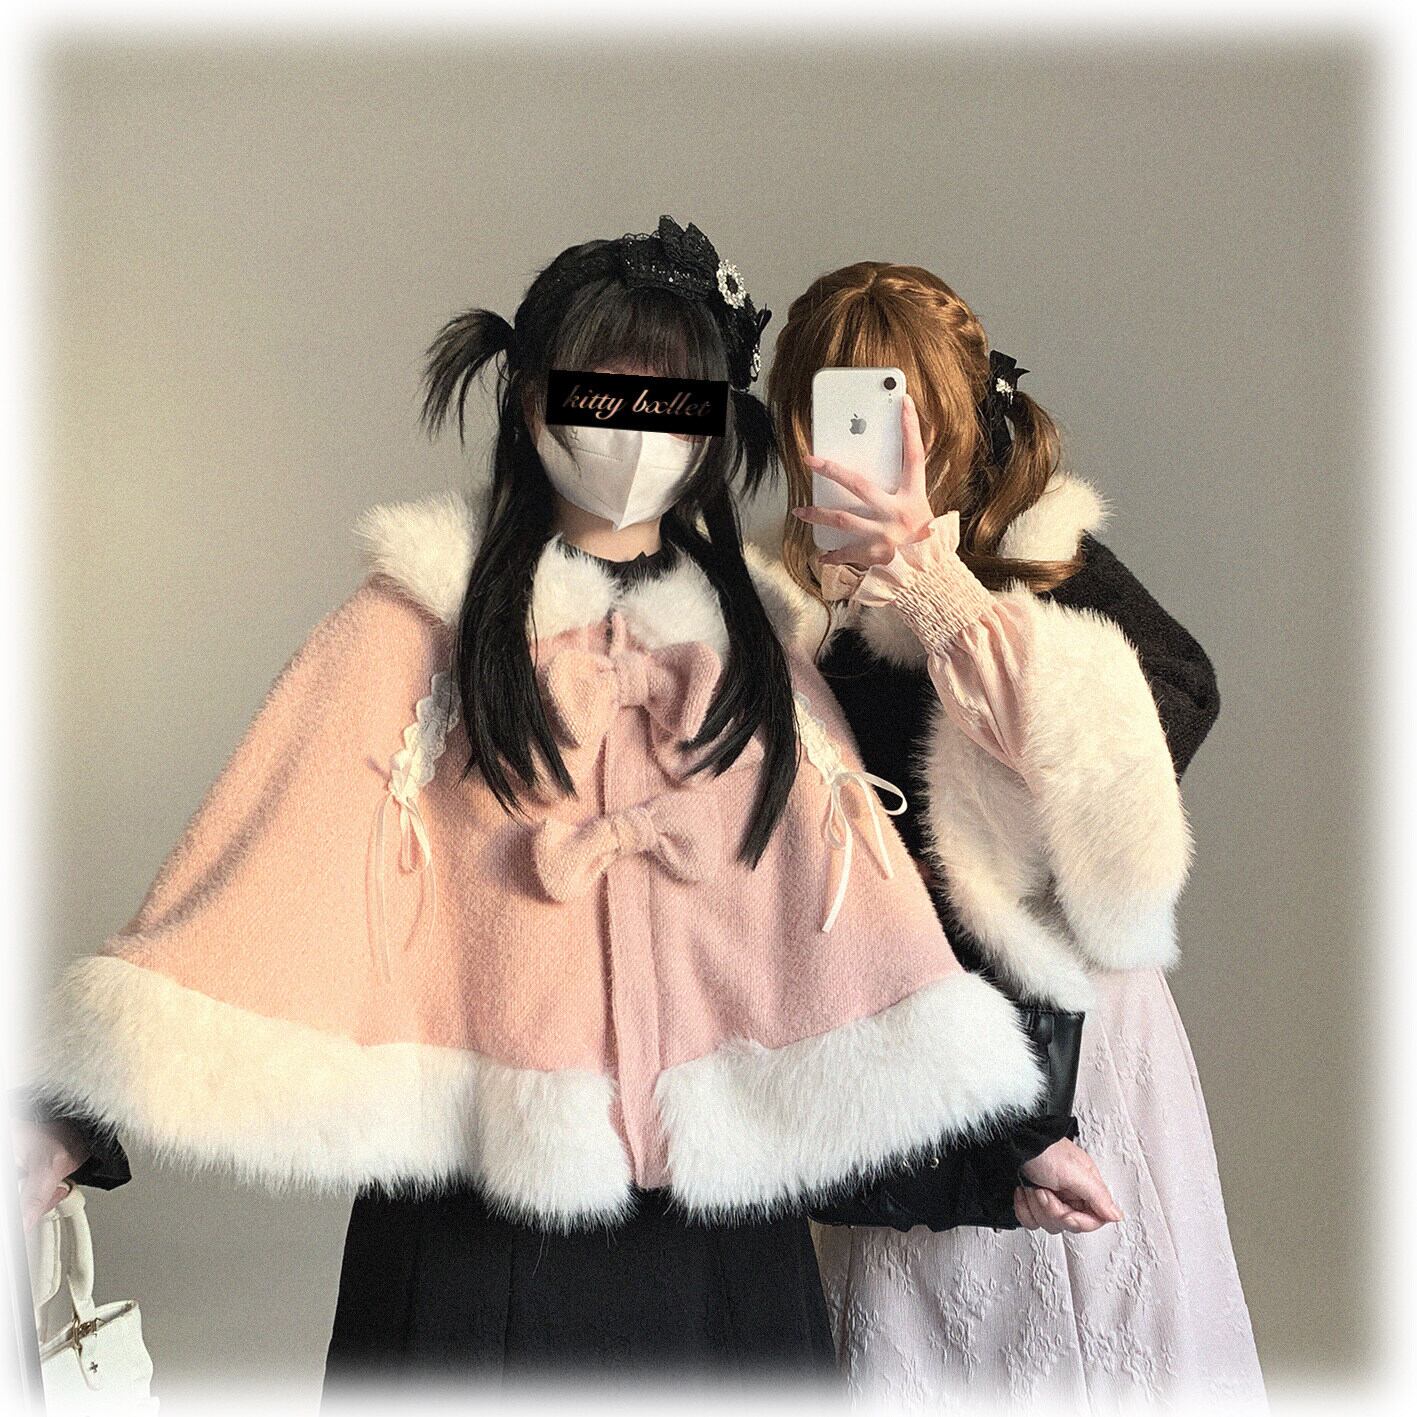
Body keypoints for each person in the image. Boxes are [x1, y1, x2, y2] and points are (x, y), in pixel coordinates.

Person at [14, 219, 1118, 1389]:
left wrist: (1001, 1150)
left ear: (714, 426)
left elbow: (852, 930)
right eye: (602, 389)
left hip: (718, 1247)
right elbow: (264, 865)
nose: (633, 431)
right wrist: (72, 1112)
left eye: (672, 399)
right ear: (530, 397)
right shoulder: (417, 621)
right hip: (475, 1227)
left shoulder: (750, 647)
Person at [759, 260, 1267, 1408]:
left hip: (1068, 1030)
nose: (865, 445)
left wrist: (936, 593)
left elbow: (1139, 771)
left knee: (1095, 1333)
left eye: (896, 410)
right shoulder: (789, 609)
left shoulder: (1050, 565)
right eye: (833, 410)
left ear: (955, 413)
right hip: (903, 1035)